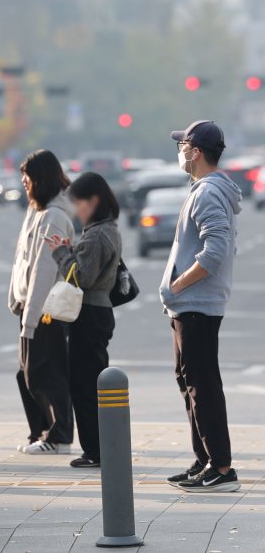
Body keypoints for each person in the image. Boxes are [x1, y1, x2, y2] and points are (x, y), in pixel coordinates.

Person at [160, 120, 241, 492]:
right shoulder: (203, 189)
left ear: (196, 152)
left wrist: (177, 285)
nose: (179, 152)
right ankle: (205, 458)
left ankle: (222, 468)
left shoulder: (208, 192)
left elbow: (216, 250)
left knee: (202, 384)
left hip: (197, 304)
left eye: (183, 146)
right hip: (188, 305)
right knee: (190, 380)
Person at [44, 172, 122, 468]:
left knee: (86, 385)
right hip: (95, 313)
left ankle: (95, 451)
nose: (77, 210)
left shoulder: (99, 233)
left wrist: (61, 253)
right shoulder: (103, 230)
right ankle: (97, 448)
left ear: (94, 201)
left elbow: (80, 277)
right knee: (88, 383)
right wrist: (72, 250)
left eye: (79, 203)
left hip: (89, 313)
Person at [8, 149, 75, 455]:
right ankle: (41, 432)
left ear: (41, 178)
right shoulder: (36, 212)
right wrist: (15, 299)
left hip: (45, 309)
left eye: (28, 175)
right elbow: (22, 261)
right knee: (27, 373)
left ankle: (59, 436)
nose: (23, 181)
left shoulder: (55, 216)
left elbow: (44, 270)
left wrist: (31, 317)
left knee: (44, 372)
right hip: (29, 306)